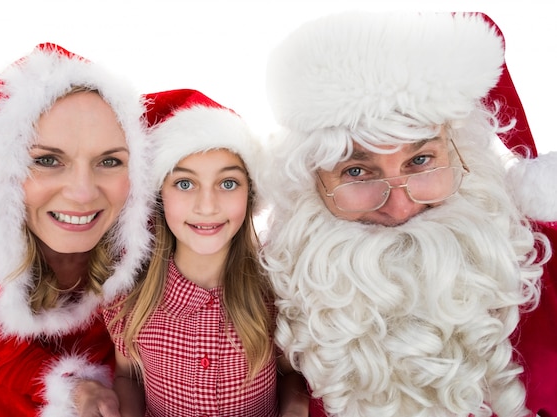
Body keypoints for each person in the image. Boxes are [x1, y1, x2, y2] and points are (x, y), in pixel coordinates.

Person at [259, 11, 557, 417]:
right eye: (357, 171)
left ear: (460, 157)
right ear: (311, 185)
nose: (400, 208)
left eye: (420, 161)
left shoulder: (549, 263)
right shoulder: (271, 301)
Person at [0, 43, 154, 416]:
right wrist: (76, 391)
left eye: (110, 160)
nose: (82, 193)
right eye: (48, 160)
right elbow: (3, 352)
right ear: (2, 173)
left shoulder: (155, 234)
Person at [102, 88, 309, 416]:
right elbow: (128, 374)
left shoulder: (275, 290)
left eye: (228, 183)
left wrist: (295, 408)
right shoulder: (130, 298)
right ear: (160, 196)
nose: (207, 206)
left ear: (250, 194)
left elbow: (290, 372)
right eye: (185, 183)